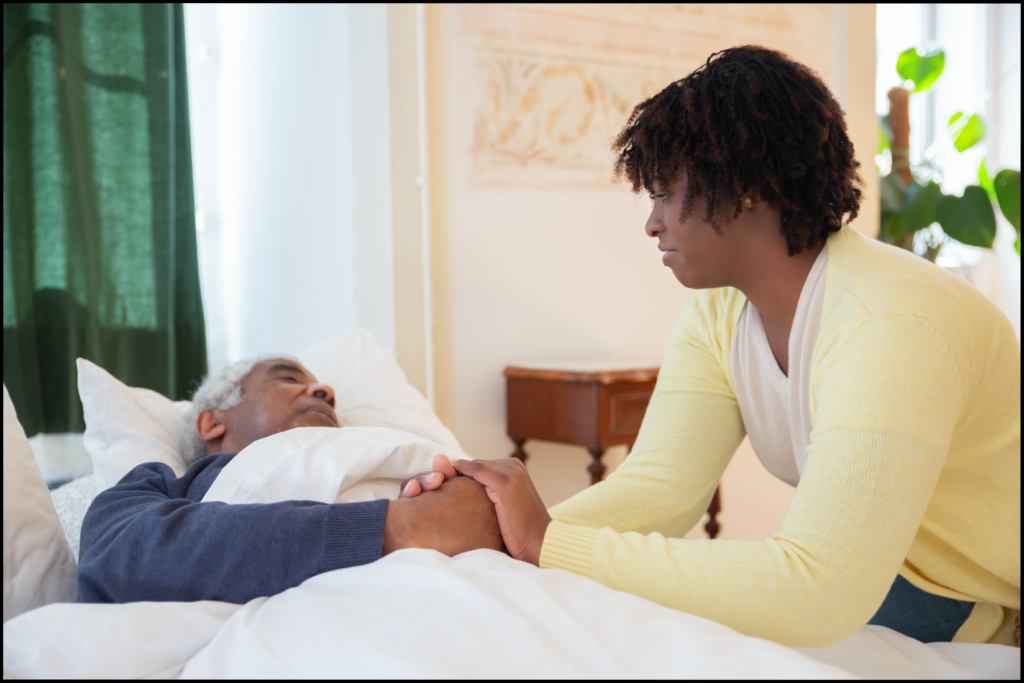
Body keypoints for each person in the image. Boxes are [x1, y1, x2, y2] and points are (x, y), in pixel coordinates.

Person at [423, 46, 1021, 647]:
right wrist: (495, 528)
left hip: (962, 591)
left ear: (747, 189)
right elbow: (661, 489)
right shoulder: (721, 312)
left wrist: (546, 543)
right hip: (882, 568)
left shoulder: (894, 323)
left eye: (662, 194)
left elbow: (816, 591)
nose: (651, 223)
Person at [77, 356, 502, 604]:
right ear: (211, 422)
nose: (324, 393)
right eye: (286, 378)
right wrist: (397, 527)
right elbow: (117, 556)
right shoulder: (165, 485)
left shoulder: (385, 453)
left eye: (325, 391)